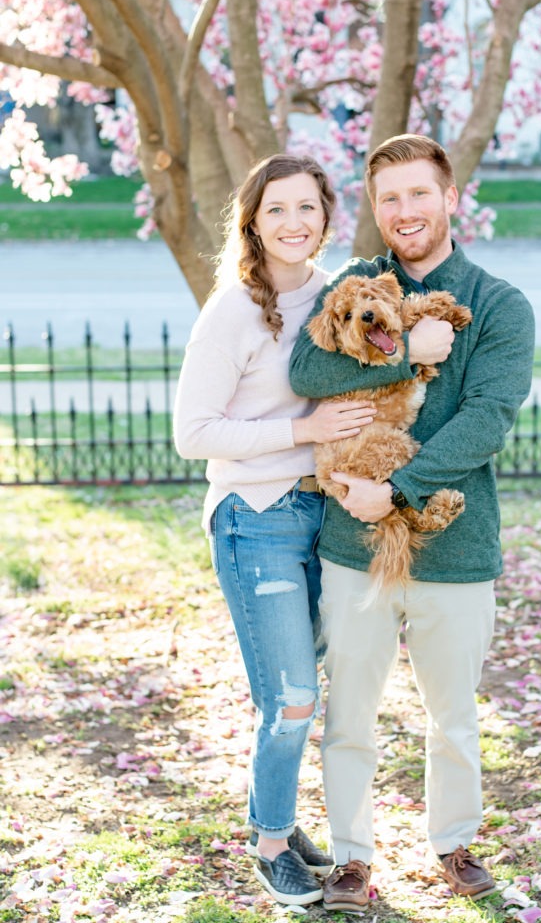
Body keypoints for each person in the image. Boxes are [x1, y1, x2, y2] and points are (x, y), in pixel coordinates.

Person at [289, 134, 535, 911]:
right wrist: (404, 354)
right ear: (374, 207)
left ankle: (454, 844)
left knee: (452, 717)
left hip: (456, 546)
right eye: (388, 198)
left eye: (418, 194)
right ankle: (353, 859)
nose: (404, 212)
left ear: (450, 197)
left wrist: (394, 488)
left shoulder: (499, 304)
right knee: (350, 711)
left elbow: (487, 419)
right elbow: (306, 370)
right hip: (351, 548)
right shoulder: (357, 285)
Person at [173, 153, 376, 907]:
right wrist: (304, 430)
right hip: (253, 518)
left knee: (303, 686)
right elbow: (194, 433)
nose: (295, 223)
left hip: (324, 513)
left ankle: (278, 820)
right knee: (291, 696)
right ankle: (269, 847)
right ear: (253, 222)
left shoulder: (334, 296)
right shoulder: (233, 310)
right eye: (277, 210)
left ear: (327, 214)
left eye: (308, 208)